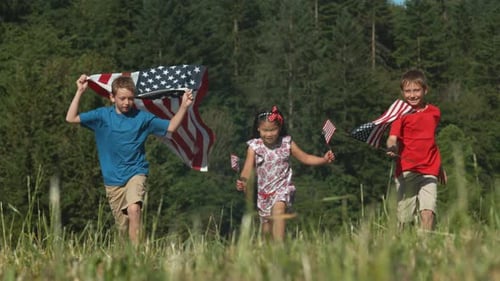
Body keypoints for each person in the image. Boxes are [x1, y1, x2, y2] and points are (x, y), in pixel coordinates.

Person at [66, 74, 193, 245]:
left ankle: (137, 255)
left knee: (134, 209)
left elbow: (171, 126)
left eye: (130, 99)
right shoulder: (102, 116)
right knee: (123, 229)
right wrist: (80, 92)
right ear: (112, 97)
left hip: (136, 172)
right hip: (113, 181)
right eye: (122, 98)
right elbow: (71, 118)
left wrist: (184, 106)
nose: (126, 102)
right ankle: (126, 255)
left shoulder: (142, 118)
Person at [236, 106, 335, 241]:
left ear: (280, 128)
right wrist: (243, 180)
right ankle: (267, 255)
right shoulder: (254, 147)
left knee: (278, 211)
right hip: (264, 195)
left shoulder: (286, 143)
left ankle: (280, 248)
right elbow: (247, 169)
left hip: (282, 189)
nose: (269, 134)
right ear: (258, 129)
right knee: (266, 231)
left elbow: (305, 158)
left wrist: (323, 159)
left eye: (273, 130)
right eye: (265, 130)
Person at [386, 69, 447, 231]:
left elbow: (431, 141)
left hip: (429, 169)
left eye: (416, 90)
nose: (412, 95)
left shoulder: (434, 112)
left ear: (425, 90)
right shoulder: (401, 114)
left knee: (428, 212)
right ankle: (400, 247)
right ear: (402, 92)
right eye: (408, 91)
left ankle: (425, 247)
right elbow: (392, 137)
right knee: (404, 219)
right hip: (408, 170)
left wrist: (440, 166)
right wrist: (391, 146)